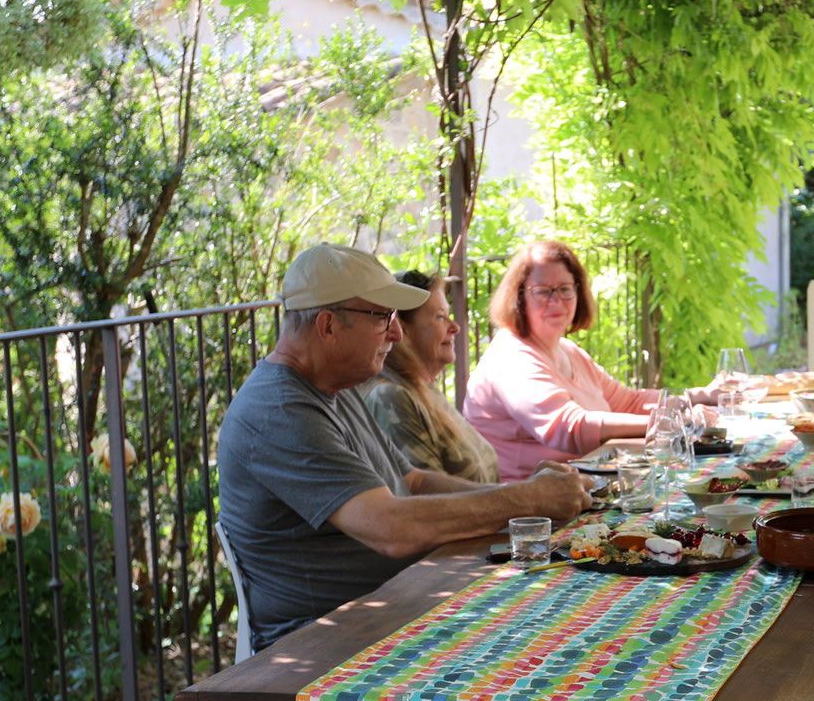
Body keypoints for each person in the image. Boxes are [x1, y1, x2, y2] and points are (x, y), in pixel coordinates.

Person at [218, 242, 592, 650]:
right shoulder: (279, 410)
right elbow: (391, 528)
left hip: (392, 607)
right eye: (383, 317)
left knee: (568, 612)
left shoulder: (334, 387)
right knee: (548, 638)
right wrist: (527, 501)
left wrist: (521, 498)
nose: (397, 333)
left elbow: (411, 481)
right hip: (328, 642)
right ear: (327, 326)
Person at [463, 240, 720, 480]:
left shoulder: (566, 350)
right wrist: (671, 424)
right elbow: (568, 427)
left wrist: (703, 396)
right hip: (531, 513)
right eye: (543, 291)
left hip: (583, 491)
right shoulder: (511, 358)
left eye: (565, 289)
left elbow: (629, 402)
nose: (556, 301)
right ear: (519, 297)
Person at [363, 269, 500, 484]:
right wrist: (522, 495)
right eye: (440, 317)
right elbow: (427, 497)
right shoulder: (391, 396)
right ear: (402, 330)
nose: (454, 328)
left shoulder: (421, 387)